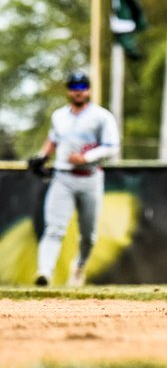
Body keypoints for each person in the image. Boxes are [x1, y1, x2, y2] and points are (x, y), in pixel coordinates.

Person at [31, 71, 120, 287]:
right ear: (68, 90)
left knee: (88, 235)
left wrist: (86, 157)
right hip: (63, 177)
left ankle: (79, 266)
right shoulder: (59, 116)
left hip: (90, 177)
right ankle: (44, 272)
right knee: (54, 228)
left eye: (82, 87)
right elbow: (53, 139)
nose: (78, 92)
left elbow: (112, 147)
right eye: (74, 87)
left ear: (88, 90)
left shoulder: (101, 116)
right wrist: (42, 156)